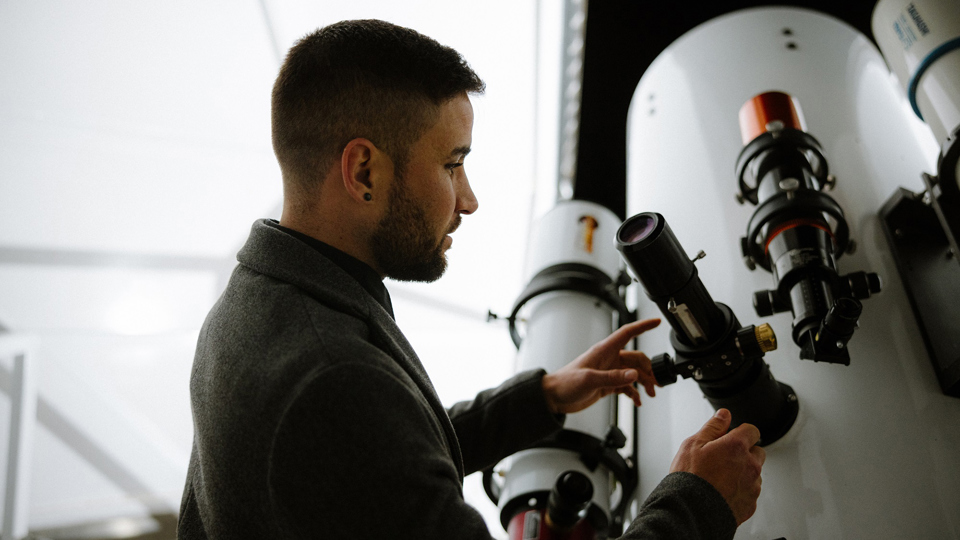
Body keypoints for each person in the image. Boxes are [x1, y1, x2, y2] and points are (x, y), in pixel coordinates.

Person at [177, 19, 765, 540]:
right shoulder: (331, 377)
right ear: (363, 171)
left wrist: (541, 398)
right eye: (452, 164)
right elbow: (356, 424)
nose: (469, 198)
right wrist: (700, 504)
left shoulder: (253, 303)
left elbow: (376, 457)